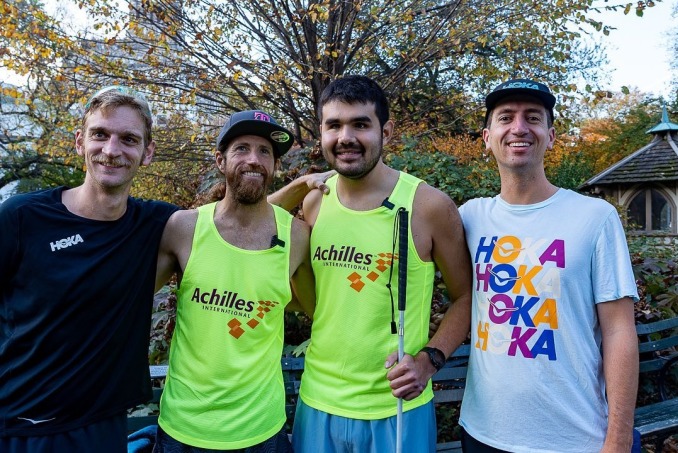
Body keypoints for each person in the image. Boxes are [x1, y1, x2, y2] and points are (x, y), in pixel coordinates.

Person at [291, 75, 472, 452]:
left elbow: (468, 298)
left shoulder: (429, 206)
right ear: (321, 133)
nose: (346, 137)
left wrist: (430, 360)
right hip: (318, 401)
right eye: (334, 125)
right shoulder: (314, 204)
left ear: (386, 132)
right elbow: (312, 300)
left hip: (396, 408)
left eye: (360, 124)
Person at [457, 79, 640, 452]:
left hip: (575, 438)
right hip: (482, 433)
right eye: (506, 117)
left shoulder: (595, 217)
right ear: (487, 137)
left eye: (533, 118)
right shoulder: (469, 217)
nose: (519, 128)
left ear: (551, 136)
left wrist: (619, 438)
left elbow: (619, 331)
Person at [0, 86, 179, 452]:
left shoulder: (155, 223)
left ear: (147, 153)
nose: (111, 150)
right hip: (18, 428)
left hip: (100, 428)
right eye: (100, 134)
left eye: (128, 139)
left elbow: (227, 224)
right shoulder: (21, 217)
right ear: (80, 142)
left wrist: (302, 186)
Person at [153, 110, 316, 452]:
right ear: (220, 160)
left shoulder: (298, 236)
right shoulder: (184, 228)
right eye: (242, 148)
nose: (254, 160)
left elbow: (317, 308)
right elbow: (129, 301)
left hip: (262, 430)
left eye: (264, 152)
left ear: (274, 166)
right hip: (185, 428)